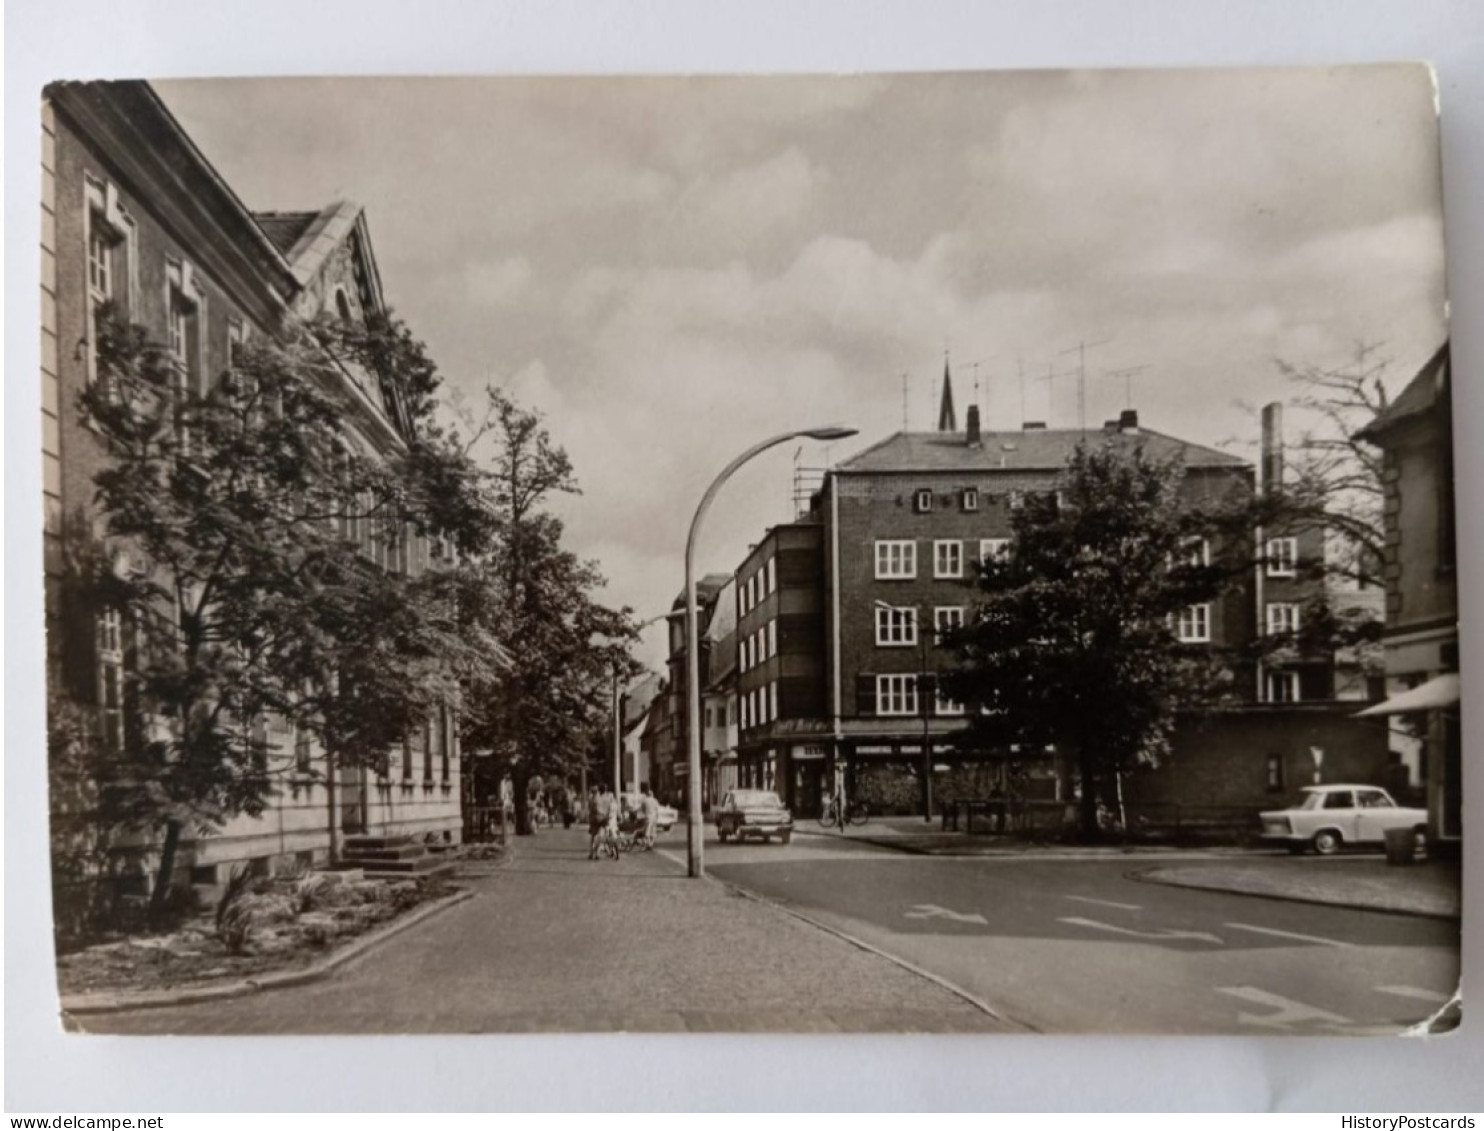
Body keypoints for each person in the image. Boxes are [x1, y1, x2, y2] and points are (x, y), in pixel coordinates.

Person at [638, 782, 660, 848]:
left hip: (648, 816)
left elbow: (642, 809)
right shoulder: (655, 800)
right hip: (654, 817)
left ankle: (647, 843)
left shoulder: (644, 801)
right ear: (652, 794)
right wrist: (657, 816)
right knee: (653, 830)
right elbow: (657, 809)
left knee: (647, 830)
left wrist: (644, 814)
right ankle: (651, 843)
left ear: (647, 794)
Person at [586, 785, 603, 859]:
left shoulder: (590, 799)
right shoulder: (599, 799)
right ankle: (597, 853)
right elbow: (599, 809)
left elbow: (589, 808)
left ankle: (591, 852)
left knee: (593, 836)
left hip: (592, 818)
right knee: (599, 835)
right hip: (599, 818)